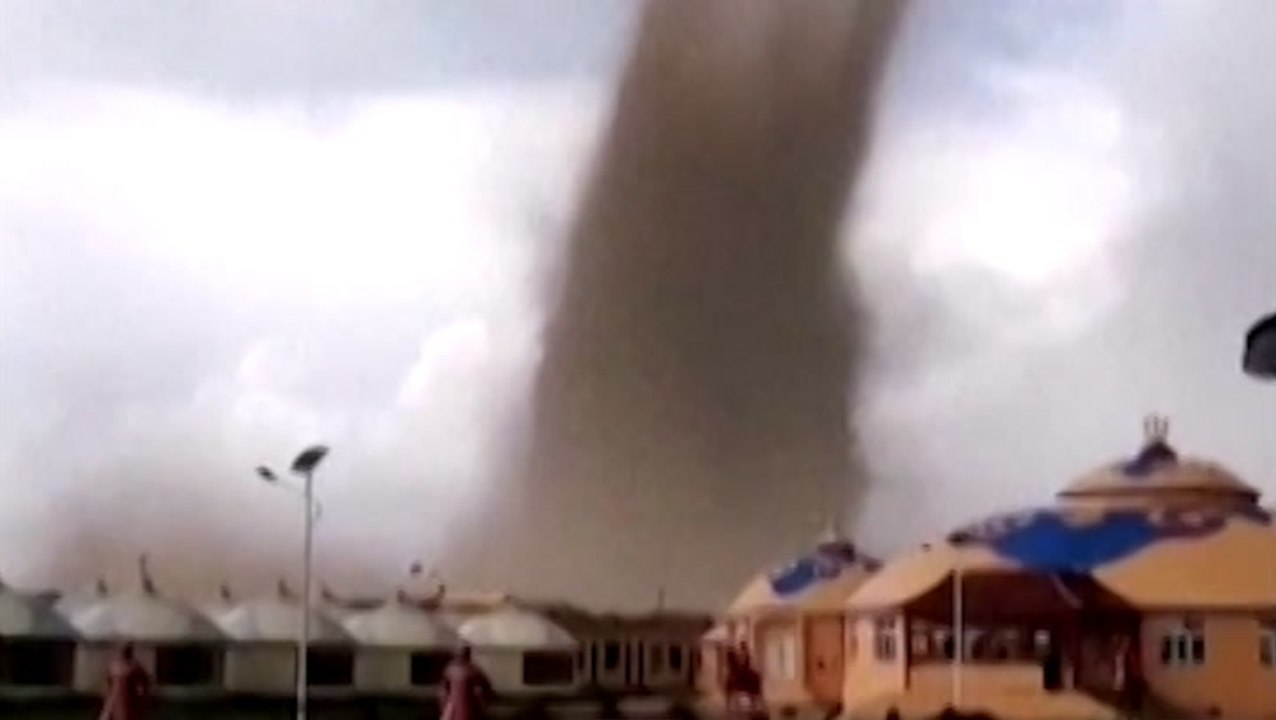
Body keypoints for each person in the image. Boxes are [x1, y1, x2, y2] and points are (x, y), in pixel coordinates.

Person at [98, 643, 152, 720]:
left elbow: (146, 682)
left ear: (130, 651)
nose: (123, 652)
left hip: (128, 700)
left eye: (126, 649)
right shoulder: (113, 665)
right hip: (113, 699)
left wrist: (142, 697)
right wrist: (106, 695)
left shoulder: (135, 666)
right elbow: (107, 681)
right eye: (121, 649)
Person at [440, 645, 494, 720]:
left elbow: (443, 692)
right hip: (468, 709)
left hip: (452, 710)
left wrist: (445, 707)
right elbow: (486, 689)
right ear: (468, 655)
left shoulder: (450, 669)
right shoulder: (473, 670)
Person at [722, 643, 763, 718]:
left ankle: (729, 705)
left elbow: (741, 664)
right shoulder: (741, 654)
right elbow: (741, 663)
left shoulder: (738, 654)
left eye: (742, 647)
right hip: (741, 670)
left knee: (729, 683)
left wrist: (740, 663)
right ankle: (751, 705)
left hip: (740, 671)